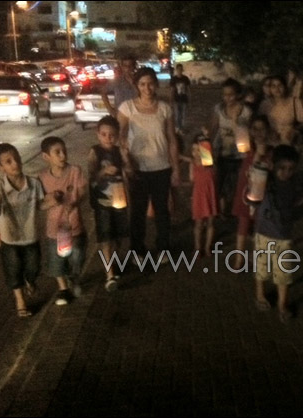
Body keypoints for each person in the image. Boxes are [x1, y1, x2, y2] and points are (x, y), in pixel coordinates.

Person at [118, 67, 180, 261]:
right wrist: (125, 158)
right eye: (142, 84)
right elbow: (121, 134)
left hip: (161, 167)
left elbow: (172, 139)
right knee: (137, 212)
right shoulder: (127, 108)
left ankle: (163, 248)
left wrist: (176, 169)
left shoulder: (165, 108)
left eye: (150, 84)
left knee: (162, 211)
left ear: (156, 84)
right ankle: (137, 250)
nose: (147, 88)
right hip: (137, 169)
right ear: (137, 86)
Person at [253, 145, 303, 323]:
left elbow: (294, 204)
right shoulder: (266, 182)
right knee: (262, 268)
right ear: (274, 165)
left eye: (290, 169)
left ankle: (282, 303)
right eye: (282, 168)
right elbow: (254, 175)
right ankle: (260, 294)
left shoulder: (294, 185)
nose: (286, 172)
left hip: (284, 235)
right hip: (263, 232)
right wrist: (259, 155)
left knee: (283, 271)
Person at [0, 144, 44, 317]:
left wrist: (56, 199)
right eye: (8, 162)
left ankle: (30, 281)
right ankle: (20, 301)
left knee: (33, 267)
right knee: (13, 270)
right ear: (0, 168)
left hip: (31, 235)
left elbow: (42, 204)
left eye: (16, 158)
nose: (15, 163)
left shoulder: (34, 183)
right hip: (10, 238)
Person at [39, 137, 87, 305]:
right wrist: (51, 201)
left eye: (64, 151)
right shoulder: (42, 178)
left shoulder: (75, 171)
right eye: (57, 152)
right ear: (46, 156)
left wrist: (74, 202)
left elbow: (82, 191)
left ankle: (74, 276)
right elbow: (40, 204)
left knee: (78, 256)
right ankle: (63, 289)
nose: (62, 155)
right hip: (55, 228)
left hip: (74, 224)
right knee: (57, 260)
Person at [88, 116, 132, 291]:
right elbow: (91, 176)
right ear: (98, 134)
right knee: (106, 237)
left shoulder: (119, 151)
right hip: (102, 200)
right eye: (104, 134)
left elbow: (130, 172)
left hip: (119, 199)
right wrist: (104, 171)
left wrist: (126, 158)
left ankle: (112, 264)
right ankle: (109, 275)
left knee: (119, 236)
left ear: (117, 135)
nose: (108, 138)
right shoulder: (95, 152)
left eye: (112, 135)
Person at [231, 115, 273, 270]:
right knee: (243, 222)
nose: (258, 132)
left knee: (259, 225)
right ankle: (238, 259)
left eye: (262, 129)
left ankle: (258, 258)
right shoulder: (247, 148)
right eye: (255, 129)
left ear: (268, 130)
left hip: (261, 193)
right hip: (245, 190)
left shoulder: (271, 152)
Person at [209, 78, 252, 216]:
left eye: (231, 94)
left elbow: (246, 133)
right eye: (225, 94)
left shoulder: (246, 111)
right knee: (219, 182)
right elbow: (213, 128)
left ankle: (236, 210)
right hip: (221, 152)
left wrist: (235, 120)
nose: (227, 98)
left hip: (240, 154)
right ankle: (221, 210)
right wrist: (207, 150)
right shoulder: (219, 109)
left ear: (238, 95)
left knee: (237, 184)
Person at [183, 134, 218, 257]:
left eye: (198, 149)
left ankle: (207, 247)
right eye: (193, 150)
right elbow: (192, 180)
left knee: (210, 223)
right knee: (198, 224)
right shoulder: (192, 164)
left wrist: (206, 137)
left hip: (210, 195)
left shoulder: (208, 163)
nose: (195, 152)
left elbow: (207, 153)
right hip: (199, 196)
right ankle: (198, 247)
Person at [262, 75, 303, 146]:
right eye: (273, 86)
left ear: (285, 87)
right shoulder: (265, 104)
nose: (277, 89)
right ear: (270, 89)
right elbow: (260, 123)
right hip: (270, 142)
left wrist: (294, 130)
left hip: (290, 141)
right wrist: (269, 131)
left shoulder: (294, 102)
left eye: (280, 85)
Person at [169, 63, 191, 133]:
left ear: (182, 70)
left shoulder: (185, 78)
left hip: (184, 99)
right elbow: (172, 90)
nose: (180, 71)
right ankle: (178, 127)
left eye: (181, 69)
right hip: (176, 99)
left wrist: (190, 97)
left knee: (183, 115)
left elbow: (188, 89)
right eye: (178, 69)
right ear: (176, 70)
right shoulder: (174, 79)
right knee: (177, 114)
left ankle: (182, 128)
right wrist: (171, 100)